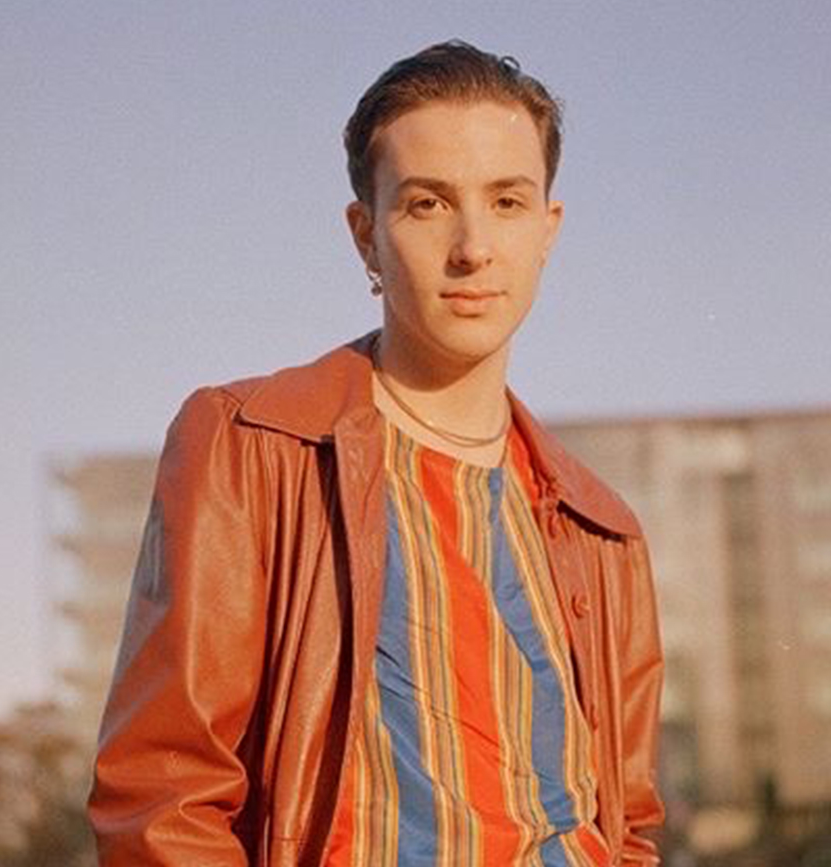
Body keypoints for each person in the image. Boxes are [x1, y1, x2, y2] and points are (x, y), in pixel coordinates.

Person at [88, 40, 664, 866]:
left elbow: (628, 825)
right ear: (365, 235)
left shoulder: (602, 528)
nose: (473, 247)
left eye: (507, 202)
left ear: (548, 228)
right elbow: (161, 793)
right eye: (427, 204)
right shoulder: (249, 445)